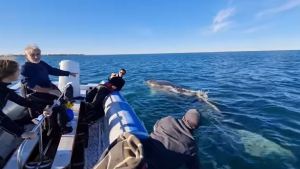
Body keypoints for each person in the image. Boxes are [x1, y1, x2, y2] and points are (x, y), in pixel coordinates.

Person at [21, 45, 76, 133]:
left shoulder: (41, 63)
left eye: (38, 54)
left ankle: (61, 122)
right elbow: (32, 87)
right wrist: (51, 91)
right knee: (59, 106)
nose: (36, 57)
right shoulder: (25, 68)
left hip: (47, 90)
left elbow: (52, 70)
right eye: (32, 55)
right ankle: (62, 129)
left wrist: (68, 73)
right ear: (26, 56)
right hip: (36, 94)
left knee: (64, 101)